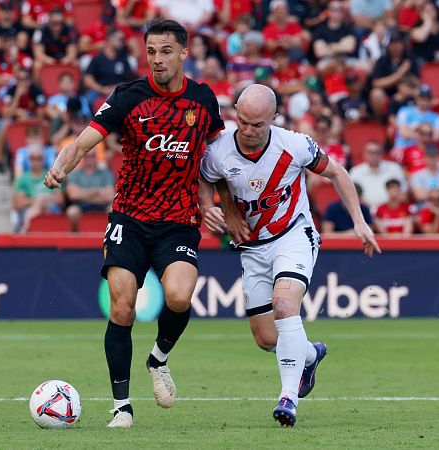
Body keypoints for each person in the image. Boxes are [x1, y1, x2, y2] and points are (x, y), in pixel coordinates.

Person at [43, 19, 224, 429]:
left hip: (179, 219)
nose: (157, 60)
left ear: (183, 53)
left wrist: (216, 204)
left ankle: (158, 358)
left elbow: (215, 161)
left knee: (178, 297)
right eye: (151, 52)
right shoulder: (128, 96)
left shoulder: (203, 100)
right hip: (130, 216)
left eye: (165, 51)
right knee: (122, 307)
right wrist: (61, 165)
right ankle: (121, 407)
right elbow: (87, 138)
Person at [199, 84, 380, 427]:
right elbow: (204, 177)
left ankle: (288, 398)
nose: (249, 131)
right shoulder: (219, 151)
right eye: (243, 122)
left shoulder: (294, 144)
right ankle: (310, 355)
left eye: (258, 124)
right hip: (252, 248)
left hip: (293, 235)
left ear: (274, 118)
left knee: (285, 306)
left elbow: (337, 172)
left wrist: (359, 221)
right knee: (267, 338)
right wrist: (210, 206)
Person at [349, 140, 407, 210]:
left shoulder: (394, 168)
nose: (373, 155)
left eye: (377, 152)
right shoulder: (355, 172)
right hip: (365, 211)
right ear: (364, 154)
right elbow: (352, 197)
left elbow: (403, 192)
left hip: (391, 211)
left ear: (382, 154)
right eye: (370, 152)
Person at [64, 151, 115, 230]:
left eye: (92, 156)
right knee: (72, 211)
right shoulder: (74, 174)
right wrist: (98, 191)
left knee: (114, 211)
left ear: (96, 157)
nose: (90, 159)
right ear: (83, 158)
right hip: (81, 206)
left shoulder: (106, 173)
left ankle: (110, 236)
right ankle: (75, 237)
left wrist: (82, 194)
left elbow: (110, 196)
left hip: (103, 205)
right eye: (87, 156)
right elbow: (73, 195)